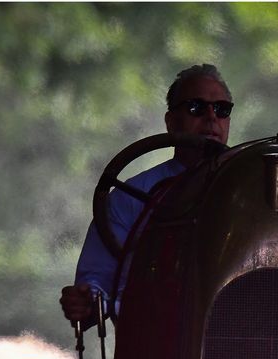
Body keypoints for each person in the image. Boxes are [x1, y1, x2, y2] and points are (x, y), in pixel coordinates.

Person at [59, 63, 234, 323]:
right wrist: (86, 302)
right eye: (196, 107)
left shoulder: (252, 192)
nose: (211, 117)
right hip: (151, 341)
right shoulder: (129, 197)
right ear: (171, 122)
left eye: (221, 109)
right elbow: (96, 287)